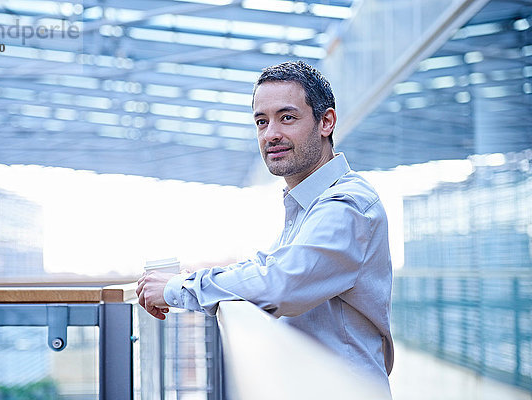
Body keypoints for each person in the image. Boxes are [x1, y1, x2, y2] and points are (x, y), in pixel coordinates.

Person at [136, 60, 393, 392]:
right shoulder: (308, 204)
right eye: (262, 121)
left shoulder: (346, 206)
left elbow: (279, 283)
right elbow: (267, 266)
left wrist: (177, 289)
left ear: (325, 122)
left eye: (287, 117)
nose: (271, 134)